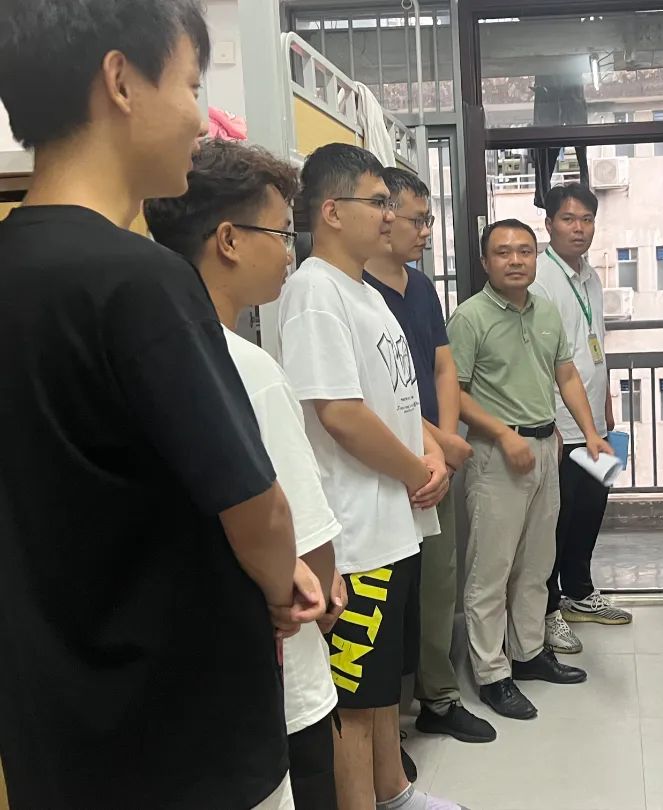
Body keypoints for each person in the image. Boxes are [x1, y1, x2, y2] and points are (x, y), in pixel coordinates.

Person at [0, 2, 323, 807]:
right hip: (186, 737)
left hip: (53, 736)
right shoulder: (140, 283)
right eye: (190, 84)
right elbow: (257, 509)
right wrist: (282, 582)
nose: (200, 121)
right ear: (120, 81)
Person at [145, 139, 348, 810]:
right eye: (281, 233)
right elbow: (304, 543)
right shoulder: (246, 369)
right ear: (229, 240)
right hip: (280, 685)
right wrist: (324, 596)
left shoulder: (146, 351)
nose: (290, 252)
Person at [279, 143, 467, 810]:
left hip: (394, 523)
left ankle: (395, 793)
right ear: (332, 211)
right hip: (355, 535)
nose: (391, 215)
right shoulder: (313, 291)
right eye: (379, 202)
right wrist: (418, 468)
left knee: (382, 687)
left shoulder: (363, 290)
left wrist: (432, 455)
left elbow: (398, 400)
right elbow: (340, 414)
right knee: (354, 703)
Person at [448, 219, 613, 720]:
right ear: (485, 262)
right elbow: (453, 393)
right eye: (503, 252)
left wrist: (590, 432)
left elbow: (566, 373)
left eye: (524, 251)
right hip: (496, 455)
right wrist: (502, 434)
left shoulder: (544, 310)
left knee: (537, 566)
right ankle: (491, 674)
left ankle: (529, 653)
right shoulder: (469, 317)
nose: (516, 260)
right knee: (490, 571)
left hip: (546, 449)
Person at [363, 167, 496, 745]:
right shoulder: (354, 292)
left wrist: (442, 440)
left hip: (432, 461)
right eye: (418, 220)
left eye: (429, 220)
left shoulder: (420, 287)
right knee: (389, 592)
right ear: (383, 215)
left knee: (439, 583)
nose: (425, 232)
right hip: (382, 462)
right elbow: (366, 396)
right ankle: (382, 723)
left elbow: (443, 364)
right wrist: (435, 447)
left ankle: (438, 697)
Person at [530, 183, 631, 657]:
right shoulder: (540, 278)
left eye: (587, 219)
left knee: (590, 510)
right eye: (569, 219)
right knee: (557, 521)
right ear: (549, 224)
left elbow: (596, 346)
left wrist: (605, 410)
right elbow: (538, 359)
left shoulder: (589, 276)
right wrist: (548, 424)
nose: (579, 228)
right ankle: (548, 609)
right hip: (558, 427)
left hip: (593, 427)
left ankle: (580, 592)